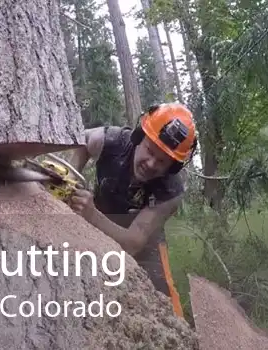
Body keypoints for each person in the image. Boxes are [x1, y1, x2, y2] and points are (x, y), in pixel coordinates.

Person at [66, 103, 198, 318]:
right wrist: (71, 177)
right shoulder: (112, 140)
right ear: (139, 137)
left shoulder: (170, 191)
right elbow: (83, 141)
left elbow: (134, 243)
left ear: (172, 167)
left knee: (164, 297)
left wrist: (90, 214)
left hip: (144, 238)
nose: (151, 163)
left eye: (162, 161)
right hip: (100, 217)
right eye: (149, 150)